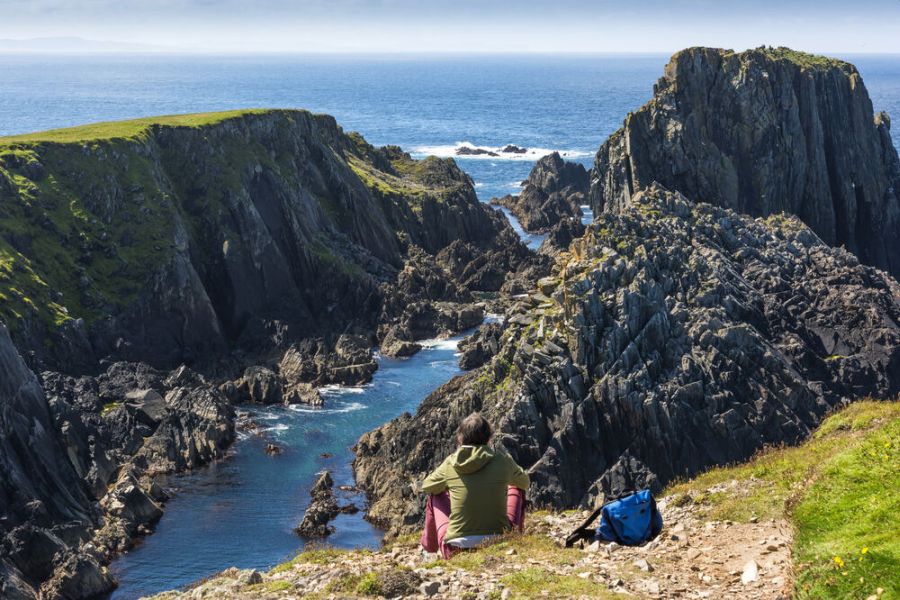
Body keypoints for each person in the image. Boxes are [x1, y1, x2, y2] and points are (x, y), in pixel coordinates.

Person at [419, 413, 529, 558]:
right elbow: (525, 482)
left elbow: (427, 486)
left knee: (435, 495)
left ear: (460, 438)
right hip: (500, 541)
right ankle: (516, 537)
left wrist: (449, 488)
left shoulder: (451, 463)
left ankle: (429, 550)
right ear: (490, 438)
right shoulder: (503, 461)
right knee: (516, 487)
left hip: (455, 549)